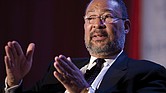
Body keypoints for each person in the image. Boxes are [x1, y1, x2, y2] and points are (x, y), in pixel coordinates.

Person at [1, 0, 166, 93]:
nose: (97, 24)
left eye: (107, 16)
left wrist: (83, 90)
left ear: (127, 26)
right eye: (90, 18)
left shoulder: (147, 73)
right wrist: (14, 83)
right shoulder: (59, 71)